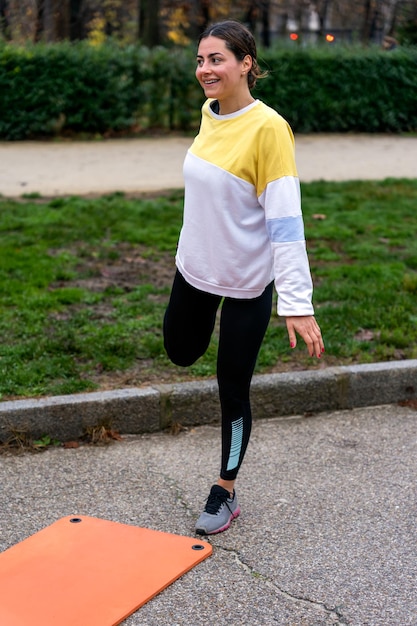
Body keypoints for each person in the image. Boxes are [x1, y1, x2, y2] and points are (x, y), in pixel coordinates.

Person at [163, 19, 324, 535]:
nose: (205, 69)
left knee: (233, 388)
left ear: (246, 63)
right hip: (194, 269)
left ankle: (225, 490)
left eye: (216, 59)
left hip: (247, 285)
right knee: (180, 351)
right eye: (200, 59)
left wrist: (296, 302)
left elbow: (285, 221)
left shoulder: (269, 129)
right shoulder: (210, 114)